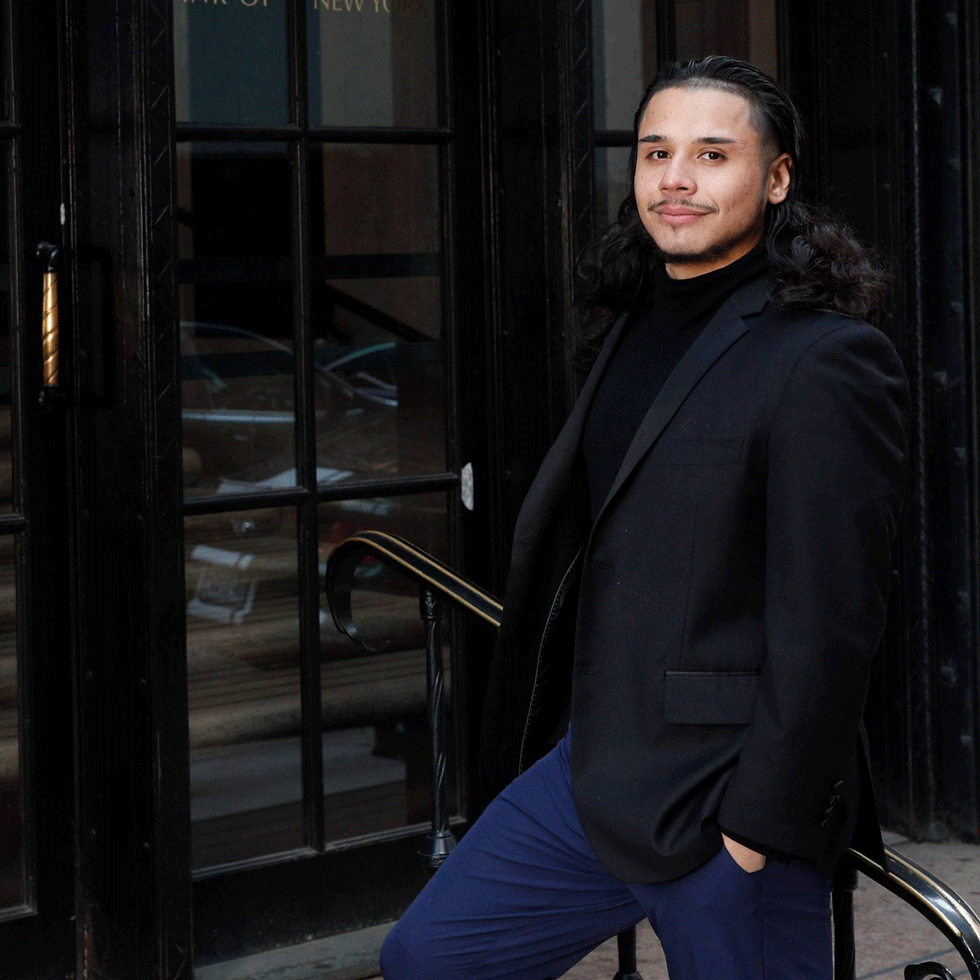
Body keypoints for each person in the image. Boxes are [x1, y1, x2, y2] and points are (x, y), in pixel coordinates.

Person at [380, 55, 910, 980]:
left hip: (731, 797)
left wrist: (754, 831)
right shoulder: (633, 319)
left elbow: (832, 618)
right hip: (594, 770)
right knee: (430, 957)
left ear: (776, 177)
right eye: (655, 151)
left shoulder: (826, 357)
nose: (675, 177)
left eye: (712, 154)